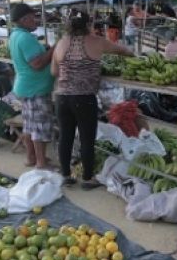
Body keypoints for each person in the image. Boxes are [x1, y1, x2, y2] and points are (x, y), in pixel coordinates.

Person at [51, 13, 133, 189]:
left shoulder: (61, 42)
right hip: (84, 98)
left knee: (65, 137)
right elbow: (124, 51)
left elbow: (54, 71)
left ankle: (65, 175)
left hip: (62, 98)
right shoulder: (97, 41)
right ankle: (87, 179)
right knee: (87, 139)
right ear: (88, 24)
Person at [9, 3, 56, 170]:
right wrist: (54, 50)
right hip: (35, 88)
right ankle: (41, 163)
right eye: (33, 17)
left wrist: (44, 49)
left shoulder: (16, 35)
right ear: (24, 19)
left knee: (29, 126)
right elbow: (37, 63)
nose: (36, 20)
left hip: (27, 87)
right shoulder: (25, 38)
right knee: (40, 127)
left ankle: (31, 158)